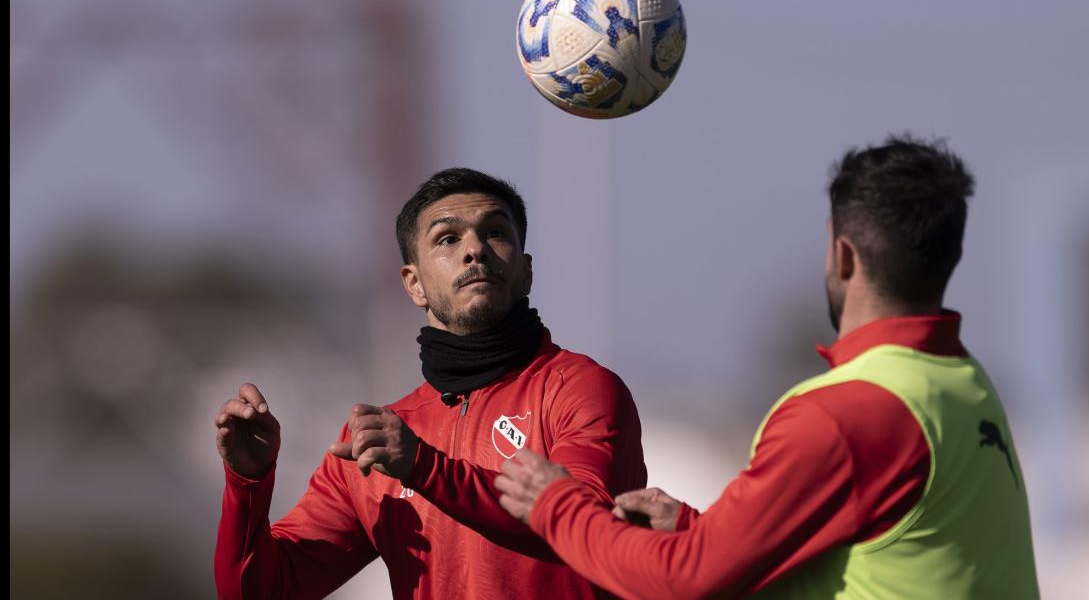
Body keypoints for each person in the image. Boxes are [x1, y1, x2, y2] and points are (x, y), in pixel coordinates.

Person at [494, 135, 1041, 599]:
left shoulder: (845, 414)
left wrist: (555, 505)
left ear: (843, 254)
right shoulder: (964, 382)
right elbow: (887, 560)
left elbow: (686, 582)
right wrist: (696, 531)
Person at [213, 168, 647, 599]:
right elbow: (258, 592)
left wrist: (424, 467)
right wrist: (248, 482)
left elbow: (581, 523)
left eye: (495, 232)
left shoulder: (580, 388)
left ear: (526, 272)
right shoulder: (375, 444)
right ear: (414, 283)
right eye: (448, 238)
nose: (475, 249)